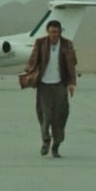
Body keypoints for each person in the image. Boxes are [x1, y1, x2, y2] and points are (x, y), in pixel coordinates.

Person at [23, 19, 77, 158]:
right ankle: (46, 141)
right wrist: (28, 74)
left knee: (60, 117)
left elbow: (72, 64)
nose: (54, 35)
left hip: (60, 86)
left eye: (56, 32)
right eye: (52, 32)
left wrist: (72, 82)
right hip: (44, 86)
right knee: (45, 116)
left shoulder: (67, 44)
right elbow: (32, 61)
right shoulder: (40, 43)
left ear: (60, 32)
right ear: (48, 31)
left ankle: (56, 145)